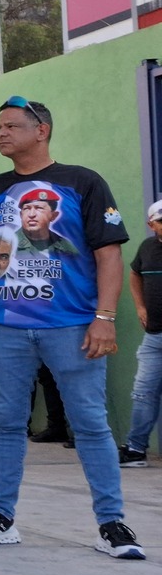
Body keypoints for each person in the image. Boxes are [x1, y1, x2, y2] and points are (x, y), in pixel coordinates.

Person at [0, 97, 143, 560]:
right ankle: (2, 517)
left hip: (72, 327)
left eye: (11, 126)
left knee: (91, 424)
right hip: (3, 327)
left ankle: (112, 523)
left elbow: (109, 255)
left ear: (41, 130)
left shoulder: (83, 182)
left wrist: (104, 318)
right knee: (5, 424)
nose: (1, 134)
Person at [124, 200, 162, 467]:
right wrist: (140, 306)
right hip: (154, 337)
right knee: (143, 393)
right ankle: (136, 451)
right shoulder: (147, 248)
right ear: (152, 225)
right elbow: (135, 274)